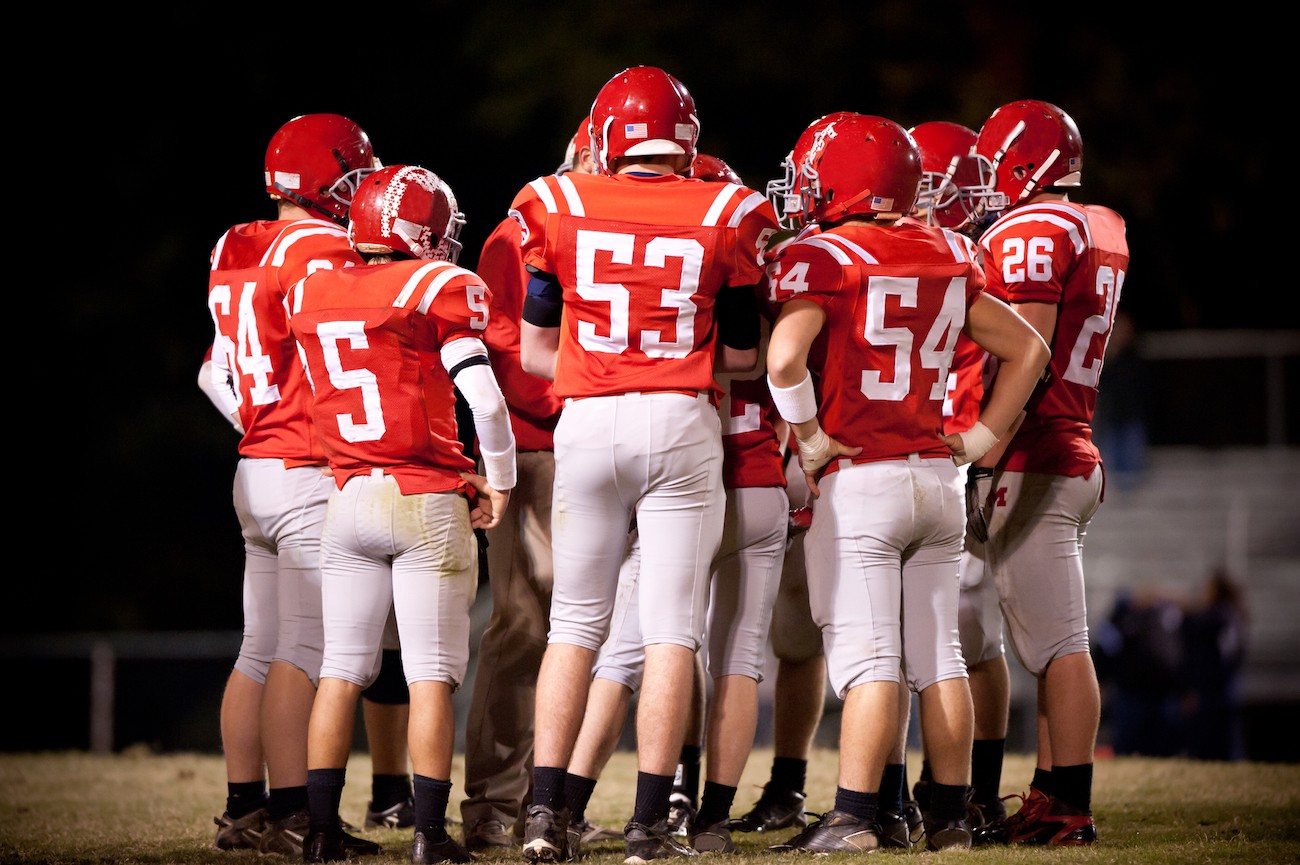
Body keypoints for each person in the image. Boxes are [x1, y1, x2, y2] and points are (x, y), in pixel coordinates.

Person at [762, 112, 1050, 854]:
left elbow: (784, 360)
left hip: (864, 477)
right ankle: (950, 818)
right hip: (936, 477)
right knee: (938, 655)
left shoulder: (827, 255)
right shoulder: (952, 250)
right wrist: (981, 437)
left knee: (868, 659)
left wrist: (811, 437)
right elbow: (1028, 348)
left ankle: (856, 815)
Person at [513, 66, 780, 864]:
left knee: (575, 625)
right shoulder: (727, 210)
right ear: (686, 140)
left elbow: (532, 349)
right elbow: (740, 352)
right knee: (671, 630)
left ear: (604, 136)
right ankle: (647, 824)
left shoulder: (556, 203)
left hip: (588, 420)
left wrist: (607, 353)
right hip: (679, 421)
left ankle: (542, 814)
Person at [287, 164, 516, 864]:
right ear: (425, 230)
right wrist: (499, 480)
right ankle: (426, 833)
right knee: (428, 676)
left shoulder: (314, 287)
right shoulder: (437, 286)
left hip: (348, 496)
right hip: (423, 498)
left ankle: (320, 831)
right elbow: (485, 399)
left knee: (340, 669)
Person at [203, 113, 387, 856]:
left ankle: (243, 809)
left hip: (254, 464)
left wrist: (262, 419)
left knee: (260, 645)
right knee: (303, 651)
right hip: (307, 467)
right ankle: (290, 812)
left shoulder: (233, 242)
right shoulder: (329, 251)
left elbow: (212, 369)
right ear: (329, 177)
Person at [969, 98, 1130, 847]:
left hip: (1036, 451)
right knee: (1050, 639)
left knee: (1060, 644)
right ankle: (1051, 792)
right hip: (1068, 444)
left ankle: (1067, 804)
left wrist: (986, 440)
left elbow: (1024, 346)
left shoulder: (1035, 227)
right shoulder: (1100, 224)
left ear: (1023, 162)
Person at [459, 117, 601, 853]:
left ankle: (557, 802)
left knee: (600, 635)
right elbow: (507, 345)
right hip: (539, 443)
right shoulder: (521, 232)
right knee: (523, 625)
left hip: (603, 445)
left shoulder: (610, 222)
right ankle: (492, 801)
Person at [906, 119, 1013, 838]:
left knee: (956, 639)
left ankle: (961, 794)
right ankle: (969, 793)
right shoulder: (957, 251)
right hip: (957, 460)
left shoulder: (958, 256)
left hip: (949, 459)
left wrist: (976, 440)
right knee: (964, 641)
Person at [1179, 567, 1249, 761]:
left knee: (1214, 747)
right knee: (1224, 744)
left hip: (1214, 695)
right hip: (1225, 692)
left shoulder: (1219, 618)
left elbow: (1221, 658)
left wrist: (1198, 688)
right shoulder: (1233, 615)